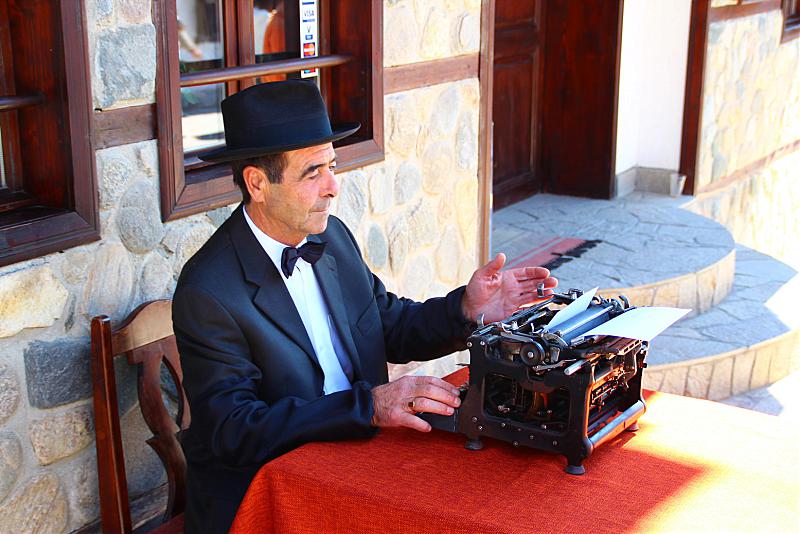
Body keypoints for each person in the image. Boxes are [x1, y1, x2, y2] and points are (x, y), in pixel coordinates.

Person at [173, 80, 557, 533]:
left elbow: (390, 325)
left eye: (332, 167)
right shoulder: (208, 291)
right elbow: (235, 431)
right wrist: (368, 407)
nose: (333, 187)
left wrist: (468, 309)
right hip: (270, 491)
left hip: (361, 456)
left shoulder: (331, 237)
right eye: (312, 173)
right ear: (257, 183)